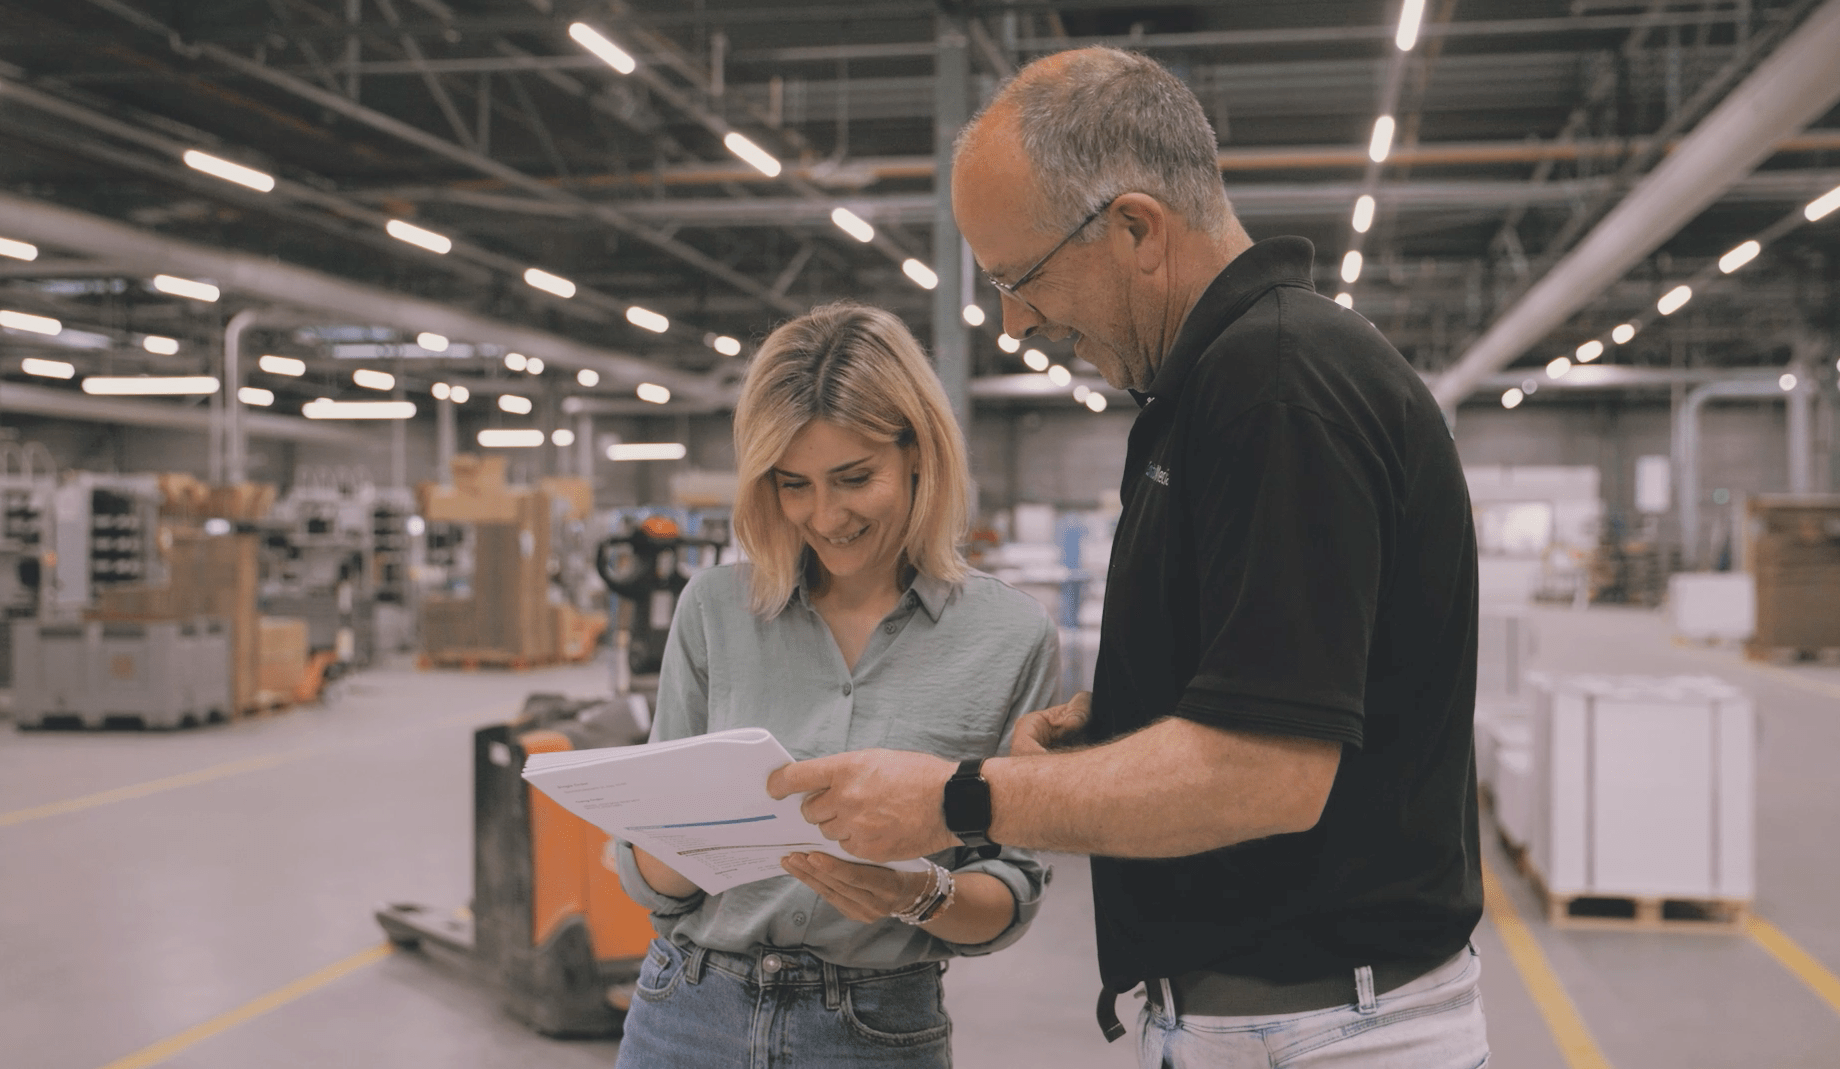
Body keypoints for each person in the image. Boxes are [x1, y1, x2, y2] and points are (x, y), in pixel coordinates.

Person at [767, 47, 1489, 1069]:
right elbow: (1306, 679)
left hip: (1321, 1031)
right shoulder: (1208, 395)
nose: (1014, 321)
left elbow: (1266, 774)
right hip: (1275, 1020)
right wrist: (1129, 721)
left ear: (1136, 229)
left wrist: (951, 797)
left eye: (1018, 278)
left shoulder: (1276, 388)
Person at [612, 301, 1059, 1069]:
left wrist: (914, 894)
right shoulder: (715, 609)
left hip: (875, 1027)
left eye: (854, 478)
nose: (824, 515)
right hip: (687, 1011)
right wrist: (672, 846)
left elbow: (1010, 889)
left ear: (917, 452)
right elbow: (648, 872)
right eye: (793, 484)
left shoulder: (1011, 637)